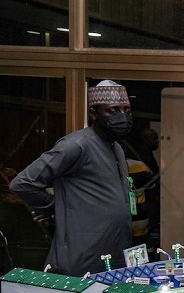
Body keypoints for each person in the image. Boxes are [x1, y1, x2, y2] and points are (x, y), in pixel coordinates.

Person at [11, 80, 134, 276]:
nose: (122, 117)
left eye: (126, 111)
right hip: (82, 256)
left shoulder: (116, 146)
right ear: (93, 114)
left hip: (115, 252)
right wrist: (57, 208)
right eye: (112, 111)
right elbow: (23, 183)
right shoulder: (76, 145)